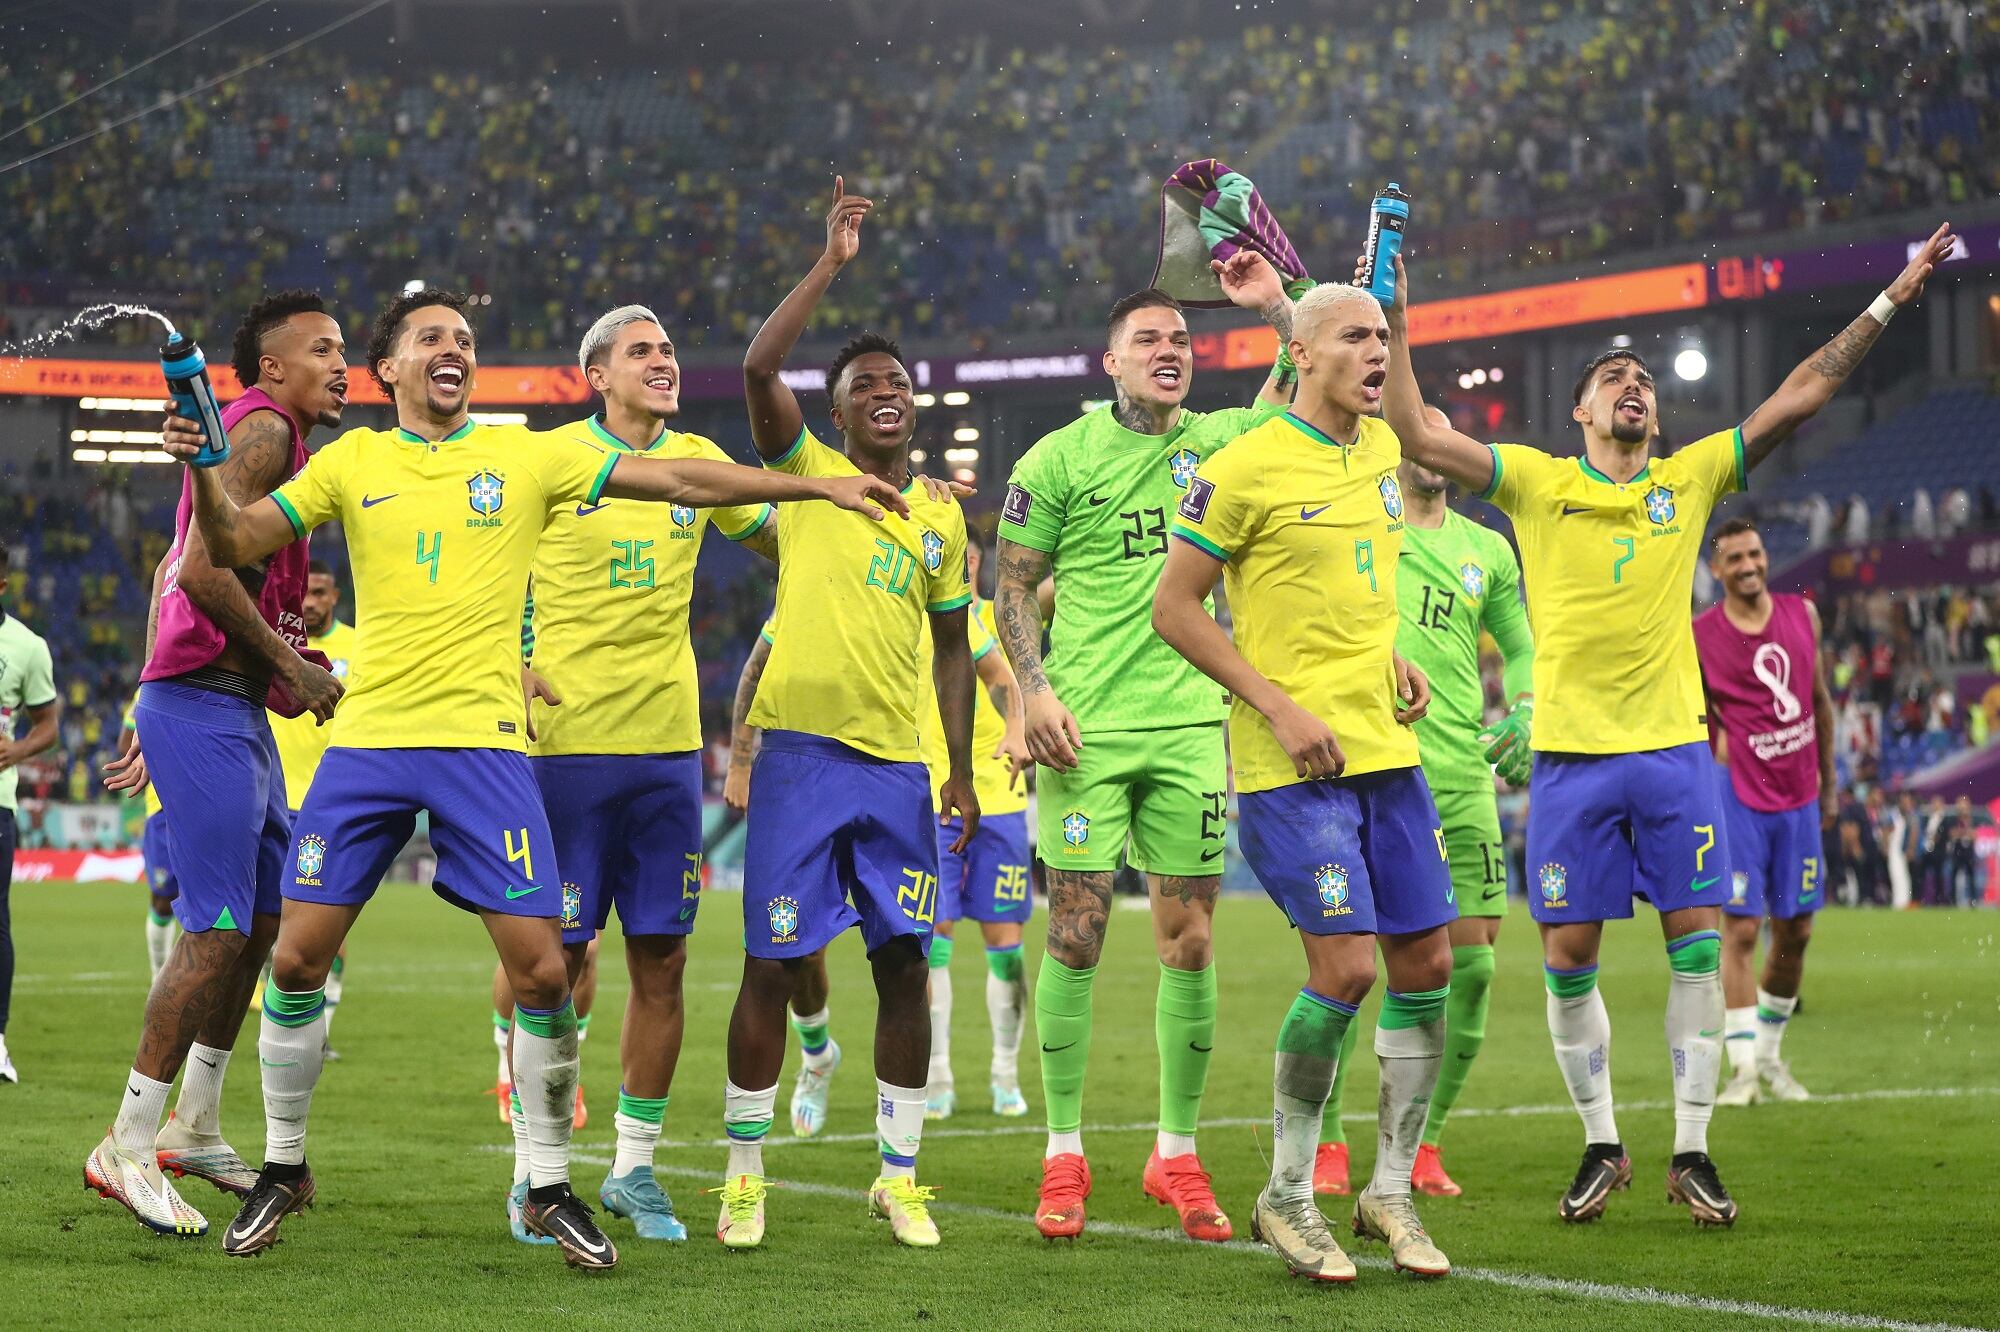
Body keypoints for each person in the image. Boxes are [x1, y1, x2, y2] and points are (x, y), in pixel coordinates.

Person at [157, 285, 909, 1269]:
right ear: (388, 368)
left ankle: (549, 1182)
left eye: (465, 337)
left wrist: (817, 487)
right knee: (294, 959)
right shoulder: (352, 460)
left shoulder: (529, 452)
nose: (453, 349)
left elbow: (682, 481)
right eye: (431, 337)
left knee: (547, 968)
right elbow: (233, 542)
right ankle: (285, 1166)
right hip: (374, 737)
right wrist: (208, 476)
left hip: (486, 745)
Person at [1374, 222, 1956, 1228]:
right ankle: (1601, 1140)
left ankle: (1692, 1150)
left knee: (1694, 944)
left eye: (1641, 378)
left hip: (1673, 756)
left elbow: (1798, 395)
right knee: (1566, 960)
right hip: (1565, 761)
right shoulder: (1532, 481)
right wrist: (1392, 313)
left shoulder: (1683, 482)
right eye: (1610, 377)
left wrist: (1892, 299)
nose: (1631, 387)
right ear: (1577, 410)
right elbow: (1418, 434)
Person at [994, 255, 1299, 1243]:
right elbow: (1009, 585)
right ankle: (1062, 1154)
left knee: (1192, 942)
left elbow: (1309, 383)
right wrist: (1031, 694)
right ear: (1110, 363)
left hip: (1187, 730)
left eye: (1180, 340)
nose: (1170, 352)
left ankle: (1175, 1155)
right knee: (1075, 937)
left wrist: (1277, 306)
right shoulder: (1056, 460)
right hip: (1085, 730)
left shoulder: (1220, 442)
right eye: (1148, 342)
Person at [1154, 282, 1450, 1282]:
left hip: (1386, 753)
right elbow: (1176, 610)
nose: (1377, 352)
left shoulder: (1377, 453)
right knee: (1347, 971)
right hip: (1289, 767)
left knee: (1425, 970)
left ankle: (1389, 1190)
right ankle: (1285, 1192)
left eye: (1382, 335)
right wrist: (1277, 706)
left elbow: (1355, 592)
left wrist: (1395, 655)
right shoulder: (1238, 468)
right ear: (1301, 351)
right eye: (1357, 338)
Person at [717, 179, 976, 1251]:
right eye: (865, 384)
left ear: (914, 408)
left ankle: (899, 1176)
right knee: (773, 964)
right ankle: (742, 1176)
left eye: (898, 383)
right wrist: (830, 263)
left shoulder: (940, 519)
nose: (886, 392)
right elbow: (755, 368)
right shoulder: (803, 473)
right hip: (799, 759)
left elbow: (955, 646)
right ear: (836, 414)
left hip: (896, 770)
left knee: (902, 963)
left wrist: (957, 767)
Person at [500, 303, 786, 1247]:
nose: (663, 362)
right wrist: (508, 658)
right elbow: (481, 571)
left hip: (668, 755)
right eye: (641, 352)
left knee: (663, 961)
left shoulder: (699, 461)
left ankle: (632, 1170)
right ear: (598, 376)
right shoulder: (549, 462)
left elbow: (786, 544)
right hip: (567, 753)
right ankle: (533, 1174)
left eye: (666, 350)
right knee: (558, 970)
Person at [90, 290, 349, 1237]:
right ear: (274, 369)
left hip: (220, 706)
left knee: (267, 921)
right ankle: (126, 1140)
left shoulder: (269, 437)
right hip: (207, 705)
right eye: (321, 349)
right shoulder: (269, 430)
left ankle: (195, 1124)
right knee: (215, 928)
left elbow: (180, 569)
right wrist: (291, 666)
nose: (341, 361)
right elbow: (201, 568)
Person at [1317, 405, 1536, 1199]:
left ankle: (1423, 1142)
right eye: (1420, 433)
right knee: (1351, 965)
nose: (1433, 450)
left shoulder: (1487, 549)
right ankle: (1331, 1141)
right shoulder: (1364, 522)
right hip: (1370, 769)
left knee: (1471, 969)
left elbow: (1519, 645)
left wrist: (1525, 708)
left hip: (1462, 776)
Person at [1694, 519, 1833, 1106]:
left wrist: (1827, 785)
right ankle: (1743, 1069)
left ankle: (1771, 1058)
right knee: (1742, 930)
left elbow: (1820, 702)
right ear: (1718, 570)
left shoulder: (1803, 616)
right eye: (1735, 558)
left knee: (1796, 931)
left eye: (1754, 553)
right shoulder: (1701, 636)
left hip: (1801, 795)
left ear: (1765, 557)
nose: (1748, 565)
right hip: (1740, 798)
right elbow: (1697, 724)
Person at [921, 538, 1035, 1120]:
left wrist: (1017, 731)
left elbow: (1011, 682)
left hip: (1002, 803)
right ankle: (936, 1075)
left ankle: (1004, 1076)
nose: (959, 565)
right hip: (932, 802)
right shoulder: (909, 612)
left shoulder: (992, 619)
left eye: (967, 557)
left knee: (1005, 951)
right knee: (931, 945)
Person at [265, 561, 359, 1050]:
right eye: (306, 592)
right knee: (263, 920)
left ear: (335, 596)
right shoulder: (273, 642)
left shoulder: (361, 647)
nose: (310, 602)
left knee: (326, 929)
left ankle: (320, 1032)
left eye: (320, 593)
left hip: (326, 806)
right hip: (269, 798)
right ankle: (273, 1018)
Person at [0, 546, 60, 1084]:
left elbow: (48, 725)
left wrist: (15, 751)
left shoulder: (25, 647)